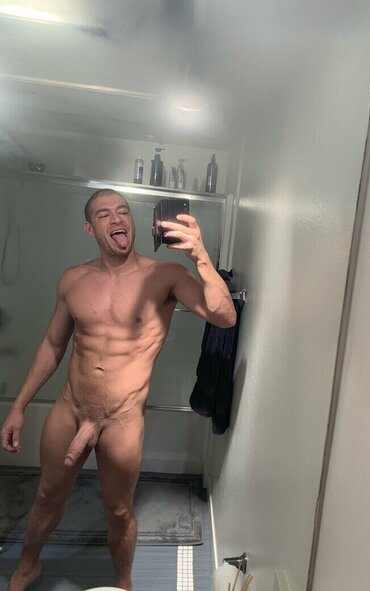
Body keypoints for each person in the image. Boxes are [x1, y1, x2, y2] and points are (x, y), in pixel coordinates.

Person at [1, 188, 236, 591]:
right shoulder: (73, 279)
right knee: (46, 496)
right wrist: (18, 406)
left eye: (123, 211)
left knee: (118, 510)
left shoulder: (166, 276)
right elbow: (53, 345)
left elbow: (225, 317)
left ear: (131, 221)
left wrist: (200, 256)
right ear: (89, 228)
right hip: (71, 409)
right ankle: (27, 566)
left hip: (122, 420)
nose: (116, 219)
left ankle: (122, 583)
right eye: (104, 214)